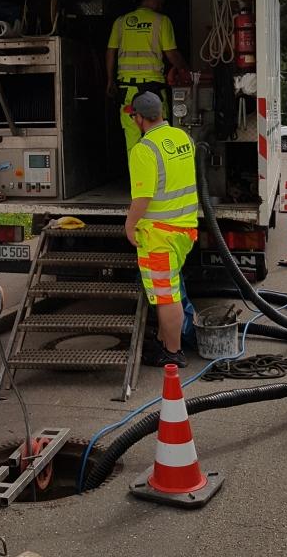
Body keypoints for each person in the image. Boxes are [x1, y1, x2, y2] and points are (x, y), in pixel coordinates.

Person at [125, 91, 198, 367]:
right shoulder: (183, 138)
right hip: (185, 228)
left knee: (166, 297)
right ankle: (162, 341)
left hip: (159, 235)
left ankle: (173, 352)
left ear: (138, 118)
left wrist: (129, 225)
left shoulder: (144, 150)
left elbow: (142, 198)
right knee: (168, 289)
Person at [106, 0, 190, 154]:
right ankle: (158, 170)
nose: (161, 6)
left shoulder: (120, 22)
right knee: (158, 138)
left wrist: (110, 79)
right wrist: (185, 69)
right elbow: (171, 53)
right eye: (161, 2)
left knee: (133, 138)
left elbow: (110, 51)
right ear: (156, 0)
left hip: (128, 92)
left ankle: (137, 171)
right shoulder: (162, 21)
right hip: (153, 91)